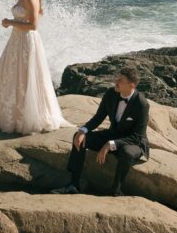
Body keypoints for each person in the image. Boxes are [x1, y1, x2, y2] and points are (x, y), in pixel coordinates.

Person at [0, 0, 68, 135]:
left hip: (27, 42)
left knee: (25, 75)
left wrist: (10, 22)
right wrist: (11, 23)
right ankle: (12, 114)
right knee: (13, 74)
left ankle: (26, 117)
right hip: (16, 40)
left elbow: (34, 25)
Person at [52, 66, 150, 196]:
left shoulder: (142, 104)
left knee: (126, 152)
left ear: (131, 85)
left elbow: (137, 136)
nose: (116, 81)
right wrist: (83, 131)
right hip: (113, 134)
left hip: (133, 143)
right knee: (80, 137)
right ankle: (73, 184)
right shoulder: (110, 94)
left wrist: (110, 144)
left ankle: (116, 190)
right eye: (117, 78)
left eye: (120, 80)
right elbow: (98, 118)